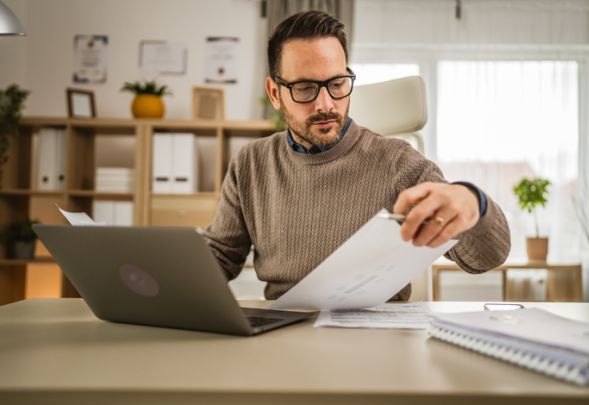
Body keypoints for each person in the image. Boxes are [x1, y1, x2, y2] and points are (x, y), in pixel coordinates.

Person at [204, 10, 510, 301]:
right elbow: (219, 257)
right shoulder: (251, 163)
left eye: (337, 84)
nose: (326, 104)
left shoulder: (398, 162)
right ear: (274, 93)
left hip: (374, 338)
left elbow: (484, 258)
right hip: (282, 334)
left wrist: (474, 202)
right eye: (305, 88)